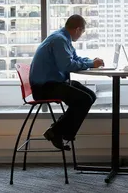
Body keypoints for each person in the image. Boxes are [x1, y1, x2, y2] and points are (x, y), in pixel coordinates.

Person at [29, 14, 104, 150]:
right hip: (44, 88)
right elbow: (67, 66)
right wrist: (92, 64)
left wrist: (91, 62)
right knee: (84, 100)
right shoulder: (59, 40)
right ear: (77, 29)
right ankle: (59, 133)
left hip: (54, 82)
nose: (81, 35)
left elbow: (75, 58)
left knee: (90, 96)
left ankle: (56, 131)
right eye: (82, 32)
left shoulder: (64, 39)